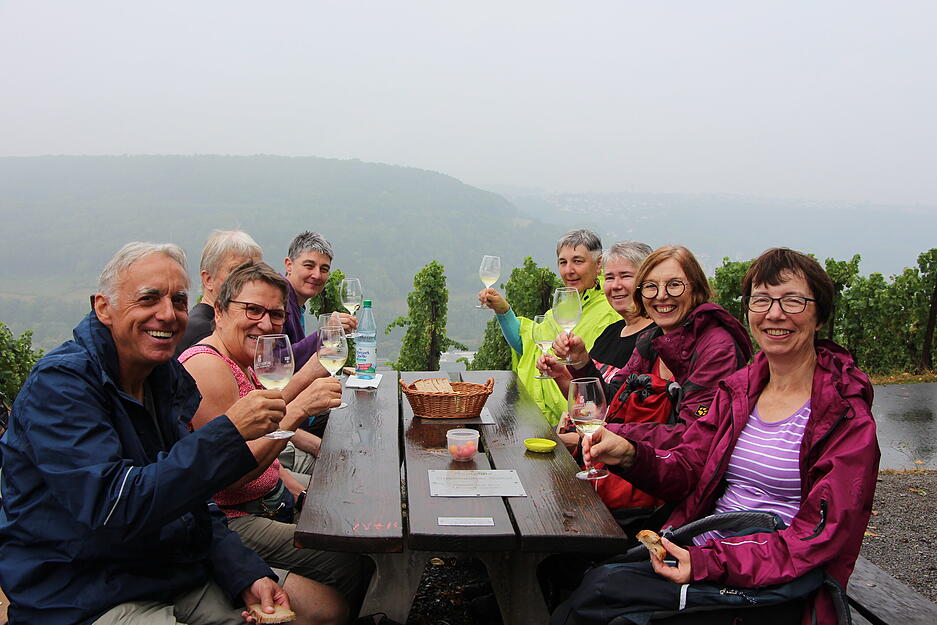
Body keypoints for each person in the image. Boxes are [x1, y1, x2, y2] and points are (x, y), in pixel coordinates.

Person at [555, 248, 880, 625]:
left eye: (792, 301)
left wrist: (708, 562)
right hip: (706, 546)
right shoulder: (741, 390)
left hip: (770, 581)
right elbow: (691, 466)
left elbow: (823, 536)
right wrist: (628, 453)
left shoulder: (843, 415)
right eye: (761, 300)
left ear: (820, 315)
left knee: (601, 604)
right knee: (593, 587)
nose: (775, 314)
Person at [0, 242, 293, 625]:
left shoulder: (162, 375)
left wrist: (243, 571)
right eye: (149, 298)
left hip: (161, 569)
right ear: (103, 307)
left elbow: (192, 498)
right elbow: (114, 507)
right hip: (80, 590)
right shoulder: (61, 385)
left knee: (310, 606)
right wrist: (230, 432)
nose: (168, 314)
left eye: (179, 301)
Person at [179, 262, 364, 625]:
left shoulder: (241, 360)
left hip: (266, 498)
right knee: (351, 557)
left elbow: (264, 424)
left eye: (275, 314)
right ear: (218, 311)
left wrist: (310, 374)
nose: (265, 323)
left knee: (353, 505)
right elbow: (230, 476)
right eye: (253, 310)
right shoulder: (208, 368)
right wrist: (297, 411)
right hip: (233, 518)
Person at [587, 245, 752, 450]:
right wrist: (579, 363)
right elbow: (613, 397)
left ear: (696, 289)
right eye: (650, 286)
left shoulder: (717, 348)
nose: (662, 295)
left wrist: (609, 432)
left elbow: (693, 433)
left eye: (674, 285)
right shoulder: (651, 340)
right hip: (647, 468)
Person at [479, 229, 620, 424]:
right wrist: (503, 311)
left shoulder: (611, 310)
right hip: (536, 417)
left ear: (598, 265)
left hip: (576, 422)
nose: (568, 270)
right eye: (563, 262)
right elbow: (528, 343)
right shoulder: (562, 307)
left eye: (578, 261)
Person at [176, 229, 263, 356]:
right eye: (237, 271)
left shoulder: (209, 323)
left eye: (254, 272)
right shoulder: (205, 332)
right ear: (209, 279)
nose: (248, 280)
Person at [282, 231, 357, 369]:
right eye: (309, 266)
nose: (317, 275)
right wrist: (325, 333)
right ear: (289, 265)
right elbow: (277, 362)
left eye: (324, 269)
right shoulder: (276, 301)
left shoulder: (294, 302)